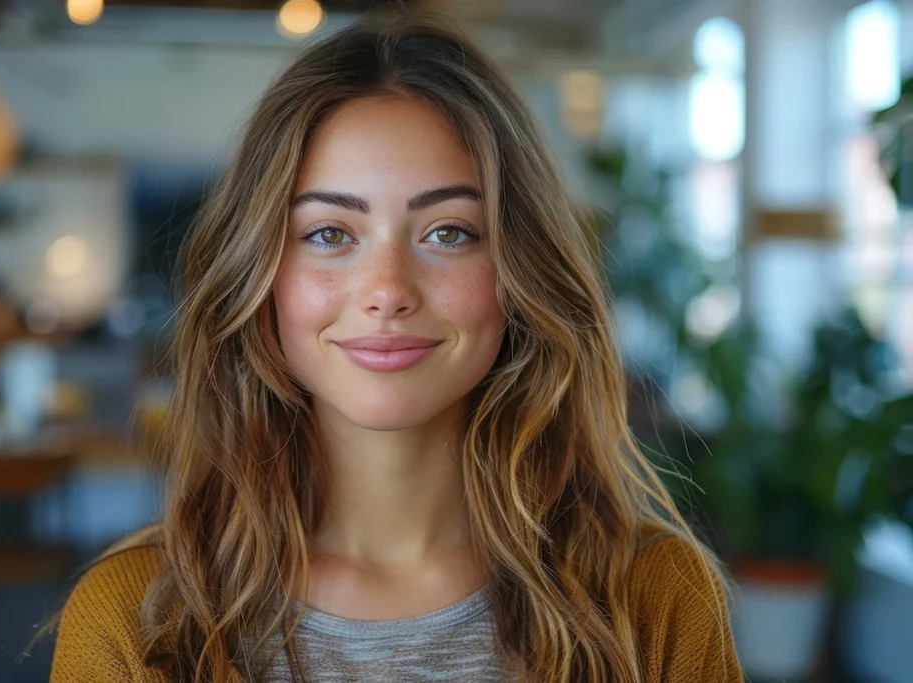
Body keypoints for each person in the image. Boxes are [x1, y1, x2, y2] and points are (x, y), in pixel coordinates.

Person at [50, 13, 744, 683]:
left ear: (519, 272)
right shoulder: (136, 620)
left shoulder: (655, 600)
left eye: (448, 232)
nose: (386, 290)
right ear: (260, 277)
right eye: (329, 234)